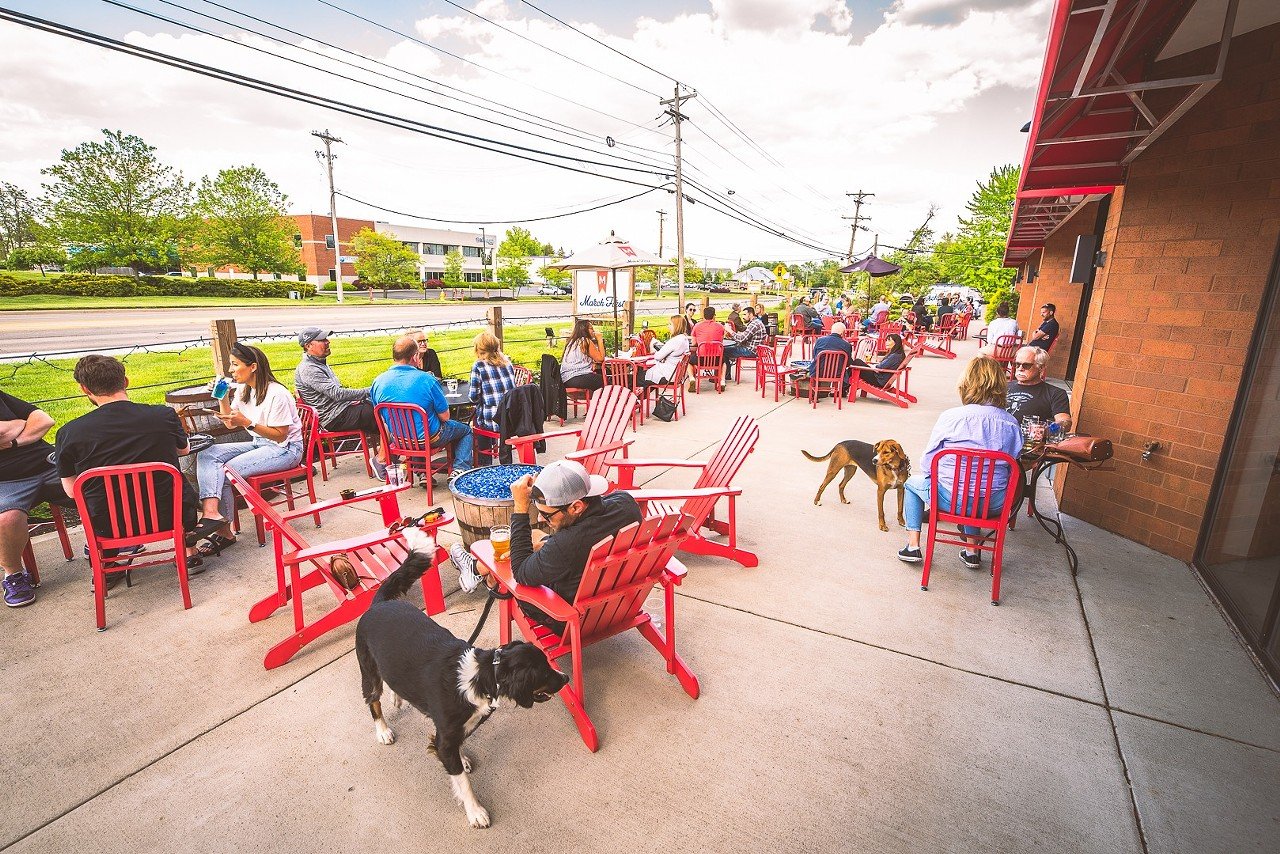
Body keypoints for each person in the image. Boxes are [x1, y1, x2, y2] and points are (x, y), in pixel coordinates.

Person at [54, 356, 204, 577]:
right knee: (178, 485)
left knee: (97, 501)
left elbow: (71, 491)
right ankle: (188, 552)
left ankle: (108, 566)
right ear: (126, 381)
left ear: (84, 389)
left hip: (109, 527)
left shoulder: (70, 432)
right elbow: (183, 451)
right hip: (169, 516)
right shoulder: (163, 415)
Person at [475, 459, 641, 634]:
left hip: (569, 619)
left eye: (547, 515)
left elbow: (520, 572)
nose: (540, 519)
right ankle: (476, 569)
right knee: (535, 536)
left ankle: (478, 572)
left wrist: (520, 507)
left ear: (576, 506)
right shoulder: (626, 503)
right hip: (618, 605)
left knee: (497, 568)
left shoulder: (566, 544)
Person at [897, 356, 1024, 568]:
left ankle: (913, 546)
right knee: (974, 491)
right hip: (994, 503)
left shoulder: (951, 417)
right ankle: (972, 551)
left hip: (951, 499)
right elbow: (1015, 465)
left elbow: (928, 464)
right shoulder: (1011, 423)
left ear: (966, 384)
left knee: (913, 484)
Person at [193, 343, 304, 556]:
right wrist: (222, 397)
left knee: (226, 470)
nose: (231, 370)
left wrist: (248, 423)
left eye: (235, 364)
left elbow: (280, 434)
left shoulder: (276, 393)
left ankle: (224, 532)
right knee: (208, 453)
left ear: (253, 366)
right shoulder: (244, 390)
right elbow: (229, 424)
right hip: (260, 444)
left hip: (286, 449)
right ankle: (212, 514)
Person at [370, 334, 474, 480]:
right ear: (415, 357)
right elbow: (445, 416)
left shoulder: (378, 382)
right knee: (465, 430)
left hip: (399, 438)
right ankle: (460, 469)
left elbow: (381, 416)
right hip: (429, 438)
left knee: (415, 428)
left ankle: (422, 472)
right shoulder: (427, 380)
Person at [1, 391, 70, 607]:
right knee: (7, 518)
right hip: (7, 480)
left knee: (94, 485)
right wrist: (21, 423)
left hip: (48, 464)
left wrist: (12, 441)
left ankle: (104, 543)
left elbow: (44, 420)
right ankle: (14, 575)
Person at [294, 327, 385, 476]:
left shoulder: (319, 363)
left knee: (382, 410)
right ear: (308, 345)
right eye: (322, 340)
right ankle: (383, 460)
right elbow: (337, 394)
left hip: (342, 410)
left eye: (326, 339)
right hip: (334, 418)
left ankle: (389, 453)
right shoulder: (309, 369)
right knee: (383, 415)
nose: (327, 342)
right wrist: (372, 389)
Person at [468, 331, 518, 455]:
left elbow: (473, 397)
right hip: (512, 418)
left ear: (479, 349)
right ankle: (497, 451)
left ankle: (485, 460)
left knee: (478, 422)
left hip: (494, 421)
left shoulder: (479, 365)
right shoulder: (507, 361)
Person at [1006, 347, 1072, 432]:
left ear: (1041, 367)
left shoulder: (1055, 393)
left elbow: (1065, 422)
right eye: (1017, 364)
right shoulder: (1003, 387)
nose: (1020, 368)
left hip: (1029, 442)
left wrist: (1045, 430)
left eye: (1026, 365)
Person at [639, 315, 692, 387]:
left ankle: (628, 396)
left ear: (676, 326)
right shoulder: (684, 339)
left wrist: (654, 349)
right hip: (676, 375)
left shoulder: (675, 341)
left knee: (635, 378)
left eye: (670, 324)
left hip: (667, 376)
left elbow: (658, 357)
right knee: (641, 376)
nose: (668, 326)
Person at [560, 318, 605, 394]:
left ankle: (600, 400)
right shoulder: (585, 341)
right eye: (591, 329)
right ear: (584, 330)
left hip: (566, 379)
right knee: (609, 380)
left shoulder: (572, 341)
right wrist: (600, 339)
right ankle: (609, 403)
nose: (593, 331)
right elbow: (600, 359)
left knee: (601, 377)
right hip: (577, 377)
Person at [723, 305, 768, 380]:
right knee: (727, 349)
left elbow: (741, 339)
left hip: (751, 351)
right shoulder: (755, 322)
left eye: (744, 314)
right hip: (755, 349)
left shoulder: (754, 324)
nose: (743, 317)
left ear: (750, 314)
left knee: (723, 350)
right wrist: (733, 336)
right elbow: (744, 337)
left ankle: (724, 376)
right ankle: (726, 375)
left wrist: (729, 330)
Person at [810, 321, 855, 394]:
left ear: (831, 331)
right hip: (837, 373)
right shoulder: (847, 345)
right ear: (842, 333)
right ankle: (840, 392)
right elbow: (848, 363)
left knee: (815, 364)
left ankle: (815, 393)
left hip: (818, 371)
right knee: (846, 370)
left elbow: (814, 356)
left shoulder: (820, 340)